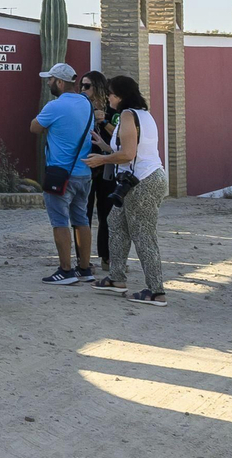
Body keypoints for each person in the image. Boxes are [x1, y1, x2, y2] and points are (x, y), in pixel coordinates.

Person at [85, 75, 168, 306]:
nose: (107, 97)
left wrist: (101, 159)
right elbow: (128, 148)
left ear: (119, 96)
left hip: (142, 183)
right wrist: (103, 145)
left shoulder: (127, 115)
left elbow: (128, 154)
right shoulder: (141, 115)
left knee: (144, 236)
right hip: (142, 181)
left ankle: (156, 291)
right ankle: (116, 278)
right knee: (115, 223)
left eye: (110, 93)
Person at [30, 62, 95, 284]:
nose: (48, 82)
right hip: (85, 172)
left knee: (60, 221)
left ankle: (65, 270)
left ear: (59, 82)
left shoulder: (54, 106)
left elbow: (34, 127)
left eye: (50, 79)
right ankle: (85, 269)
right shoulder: (86, 104)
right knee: (81, 219)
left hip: (60, 174)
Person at [81, 71, 116, 271]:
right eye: (82, 86)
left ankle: (107, 257)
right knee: (82, 214)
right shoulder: (80, 107)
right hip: (84, 165)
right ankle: (83, 260)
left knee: (107, 213)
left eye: (87, 86)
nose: (83, 90)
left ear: (99, 87)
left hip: (106, 166)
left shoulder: (112, 109)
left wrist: (103, 121)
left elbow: (119, 135)